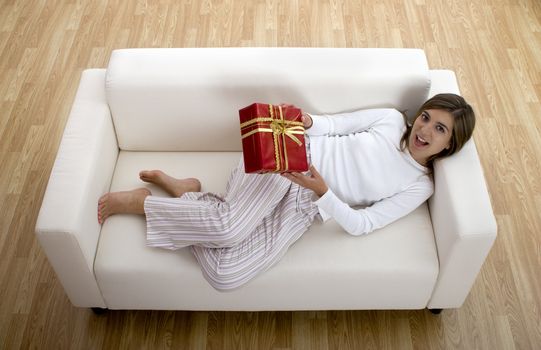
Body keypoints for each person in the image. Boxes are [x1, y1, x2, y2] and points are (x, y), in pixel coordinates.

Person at [97, 93, 475, 291]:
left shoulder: (420, 185)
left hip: (309, 206)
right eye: (426, 117)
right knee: (228, 228)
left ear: (450, 145)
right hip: (290, 161)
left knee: (226, 275)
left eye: (441, 130)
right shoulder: (391, 121)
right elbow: (330, 126)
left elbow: (363, 223)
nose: (425, 131)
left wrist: (324, 192)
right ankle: (142, 203)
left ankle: (189, 195)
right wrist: (305, 120)